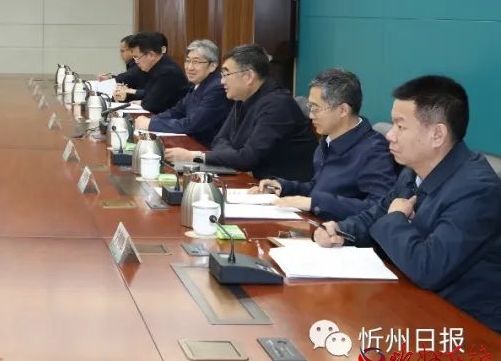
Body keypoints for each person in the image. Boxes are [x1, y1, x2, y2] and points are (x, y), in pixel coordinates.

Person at [314, 76, 501, 333]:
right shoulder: (414, 169)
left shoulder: (477, 191)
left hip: (468, 328)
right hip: (414, 304)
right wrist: (341, 231)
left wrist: (396, 219)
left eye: (400, 126)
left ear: (437, 134)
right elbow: (378, 212)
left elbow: (428, 268)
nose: (390, 135)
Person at [251, 68, 396, 221]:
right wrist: (283, 187)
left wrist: (314, 203)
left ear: (343, 110)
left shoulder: (373, 151)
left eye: (316, 108)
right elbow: (318, 187)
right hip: (319, 224)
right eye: (310, 107)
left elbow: (378, 208)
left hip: (342, 232)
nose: (311, 115)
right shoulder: (327, 141)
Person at [164, 44, 315, 181]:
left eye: (226, 74)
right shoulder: (242, 97)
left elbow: (248, 158)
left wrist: (194, 156)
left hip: (284, 189)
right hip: (254, 180)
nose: (222, 81)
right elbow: (219, 140)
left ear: (248, 77)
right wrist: (235, 156)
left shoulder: (277, 105)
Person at [134, 39, 230, 148]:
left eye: (196, 62)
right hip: (191, 144)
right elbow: (176, 112)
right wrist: (151, 120)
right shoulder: (199, 83)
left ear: (212, 66)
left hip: (205, 150)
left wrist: (151, 124)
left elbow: (191, 125)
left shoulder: (216, 88)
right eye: (188, 61)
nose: (189, 67)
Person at [129, 31, 190, 114]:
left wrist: (142, 102)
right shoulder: (159, 66)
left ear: (151, 55)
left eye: (136, 57)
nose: (136, 62)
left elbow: (150, 105)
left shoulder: (167, 72)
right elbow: (148, 95)